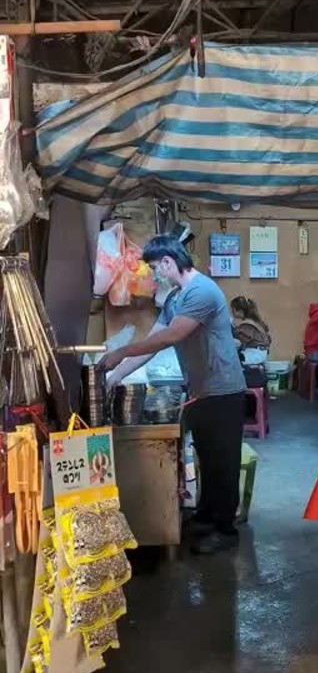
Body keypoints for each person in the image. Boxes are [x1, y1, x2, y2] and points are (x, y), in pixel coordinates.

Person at [98, 234, 246, 556]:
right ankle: (207, 516)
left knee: (223, 462)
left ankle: (226, 530)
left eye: (154, 268)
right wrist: (116, 375)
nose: (154, 276)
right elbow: (153, 341)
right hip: (201, 391)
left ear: (168, 262)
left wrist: (120, 351)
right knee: (208, 459)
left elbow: (171, 337)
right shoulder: (176, 297)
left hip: (223, 391)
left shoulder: (201, 291)